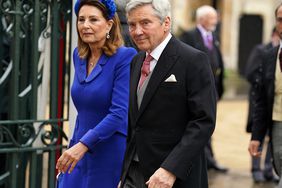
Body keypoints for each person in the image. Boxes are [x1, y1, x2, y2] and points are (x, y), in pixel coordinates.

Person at [120, 0, 217, 187]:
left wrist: (170, 169)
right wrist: (125, 174)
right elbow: (136, 124)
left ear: (166, 23)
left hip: (174, 177)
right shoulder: (137, 60)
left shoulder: (193, 60)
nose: (137, 31)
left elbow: (203, 122)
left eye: (145, 23)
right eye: (132, 24)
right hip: (134, 173)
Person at [55, 0, 137, 187]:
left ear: (109, 24)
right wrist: (74, 147)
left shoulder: (125, 57)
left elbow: (119, 113)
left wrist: (82, 146)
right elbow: (83, 111)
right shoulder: (79, 56)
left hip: (108, 151)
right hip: (77, 149)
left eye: (93, 19)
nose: (85, 25)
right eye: (81, 19)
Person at [179, 5, 227, 173]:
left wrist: (220, 87)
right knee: (199, 122)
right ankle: (205, 159)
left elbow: (218, 61)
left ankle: (209, 159)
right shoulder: (189, 35)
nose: (216, 21)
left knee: (209, 121)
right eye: (212, 18)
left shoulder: (213, 35)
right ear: (202, 19)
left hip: (212, 88)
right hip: (196, 89)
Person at [249, 3, 282, 187]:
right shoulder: (269, 56)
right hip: (277, 125)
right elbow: (261, 100)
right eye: (280, 20)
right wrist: (256, 137)